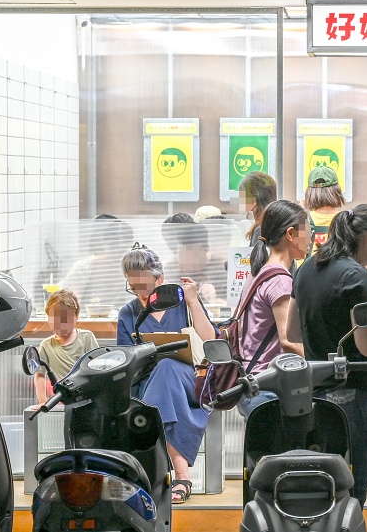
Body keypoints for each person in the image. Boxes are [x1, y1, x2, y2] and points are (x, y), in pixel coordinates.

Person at [291, 204, 367, 507]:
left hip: (314, 392)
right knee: (353, 491)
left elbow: (292, 332)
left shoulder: (305, 269)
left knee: (322, 486)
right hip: (356, 393)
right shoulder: (358, 277)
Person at [116, 245, 218, 504]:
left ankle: (156, 471)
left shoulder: (182, 302)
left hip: (189, 377)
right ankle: (182, 473)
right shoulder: (128, 313)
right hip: (146, 382)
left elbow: (211, 340)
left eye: (144, 286)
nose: (139, 294)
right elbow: (124, 360)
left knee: (168, 368)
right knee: (162, 374)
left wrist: (194, 300)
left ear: (160, 279)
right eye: (133, 287)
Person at [235, 200, 308, 420]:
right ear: (291, 234)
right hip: (267, 386)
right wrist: (321, 367)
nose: (311, 239)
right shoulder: (280, 280)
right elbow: (288, 340)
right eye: (308, 231)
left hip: (251, 381)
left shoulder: (259, 273)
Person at [33, 289, 98, 404]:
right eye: (55, 320)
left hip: (87, 399)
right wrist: (43, 402)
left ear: (76, 318)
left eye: (65, 320)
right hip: (62, 398)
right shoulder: (46, 345)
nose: (60, 324)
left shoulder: (87, 338)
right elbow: (40, 375)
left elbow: (97, 370)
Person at [302, 166, 346, 255]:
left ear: (309, 192)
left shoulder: (304, 220)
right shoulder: (346, 219)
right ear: (337, 190)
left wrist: (299, 211)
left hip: (308, 268)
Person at [238, 171, 279, 247]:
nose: (240, 202)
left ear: (254, 199)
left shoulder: (261, 230)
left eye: (242, 197)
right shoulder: (277, 224)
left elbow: (257, 258)